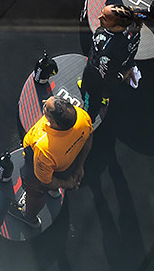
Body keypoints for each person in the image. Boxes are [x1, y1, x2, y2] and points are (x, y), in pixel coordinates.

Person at [15, 95, 94, 224]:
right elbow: (89, 137)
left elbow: (45, 181)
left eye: (45, 108)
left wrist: (67, 184)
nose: (44, 101)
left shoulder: (43, 148)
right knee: (54, 180)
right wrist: (80, 165)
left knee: (35, 192)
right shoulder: (82, 116)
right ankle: (54, 191)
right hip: (65, 166)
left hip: (39, 163)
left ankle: (29, 217)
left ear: (54, 123)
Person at [81, 5, 142, 112]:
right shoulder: (134, 28)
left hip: (97, 78)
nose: (99, 17)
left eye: (104, 18)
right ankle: (102, 95)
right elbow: (132, 51)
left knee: (92, 96)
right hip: (117, 68)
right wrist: (129, 66)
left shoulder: (107, 49)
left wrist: (123, 75)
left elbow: (107, 75)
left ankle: (90, 112)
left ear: (117, 27)